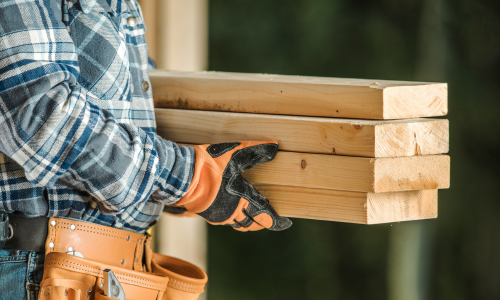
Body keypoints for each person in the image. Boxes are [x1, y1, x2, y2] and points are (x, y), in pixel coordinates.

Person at [0, 0, 291, 299]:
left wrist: (169, 189)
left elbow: (125, 120)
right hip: (33, 271)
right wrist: (188, 178)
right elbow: (37, 111)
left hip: (104, 273)